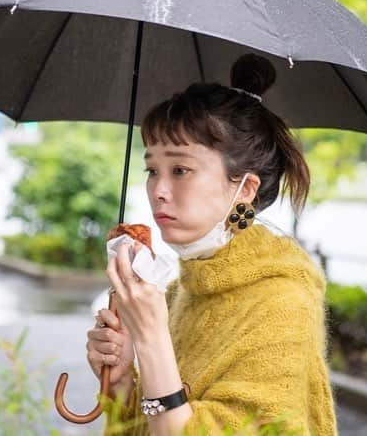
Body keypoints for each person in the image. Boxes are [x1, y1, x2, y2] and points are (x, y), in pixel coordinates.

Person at [86, 54, 337, 435]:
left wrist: (151, 337)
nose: (159, 191)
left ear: (245, 189)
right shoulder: (180, 292)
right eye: (152, 170)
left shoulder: (283, 304)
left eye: (181, 170)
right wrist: (122, 385)